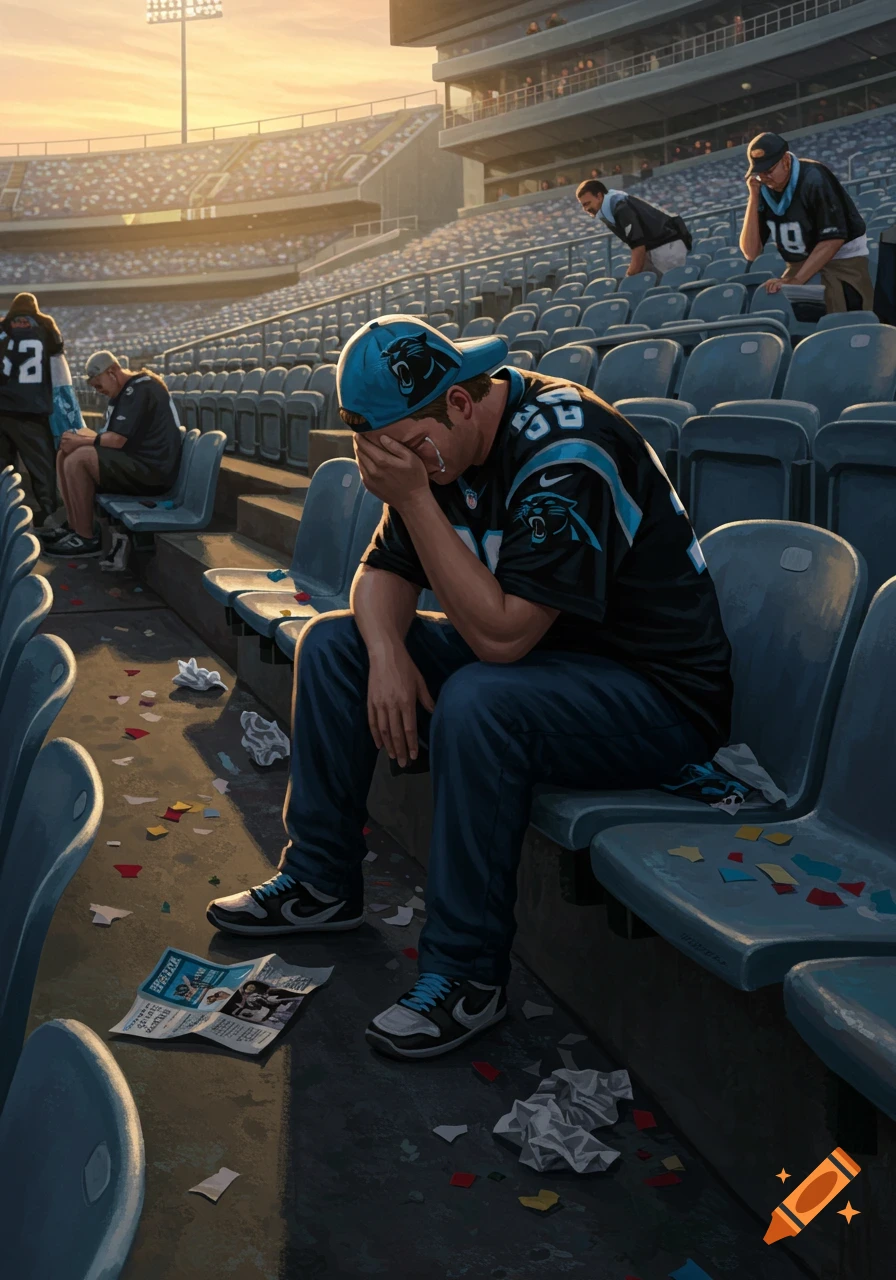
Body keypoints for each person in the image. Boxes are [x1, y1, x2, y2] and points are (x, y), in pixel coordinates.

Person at [206, 317, 734, 1061]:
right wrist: (387, 651)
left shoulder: (567, 446)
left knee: (481, 698)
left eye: (410, 447)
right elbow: (381, 573)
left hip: (652, 694)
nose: (402, 466)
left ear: (460, 403)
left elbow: (502, 639)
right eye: (383, 453)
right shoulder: (435, 447)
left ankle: (467, 976)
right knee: (335, 642)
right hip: (549, 668)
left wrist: (417, 498)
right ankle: (319, 881)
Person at [41, 350, 183, 559]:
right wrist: (79, 438)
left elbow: (117, 440)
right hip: (137, 461)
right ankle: (74, 526)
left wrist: (82, 441)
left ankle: (86, 537)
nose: (98, 392)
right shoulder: (124, 391)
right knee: (67, 450)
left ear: (112, 372)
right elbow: (110, 438)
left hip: (153, 470)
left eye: (99, 385)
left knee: (79, 458)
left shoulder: (140, 388)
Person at [739, 131, 874, 313]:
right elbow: (751, 252)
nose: (764, 177)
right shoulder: (763, 188)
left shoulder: (814, 176)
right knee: (777, 305)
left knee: (840, 311)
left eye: (769, 170)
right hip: (800, 263)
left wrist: (796, 280)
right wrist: (753, 198)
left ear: (786, 161)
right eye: (759, 173)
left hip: (841, 260)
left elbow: (833, 239)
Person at [0, 291, 66, 526]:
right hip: (32, 410)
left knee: (3, 470)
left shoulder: (3, 326)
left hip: (2, 407)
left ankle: (4, 518)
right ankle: (50, 515)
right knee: (42, 467)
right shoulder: (45, 326)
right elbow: (58, 349)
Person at [576, 178, 692, 280]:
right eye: (583, 205)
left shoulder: (620, 207)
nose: (586, 209)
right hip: (653, 247)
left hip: (666, 245)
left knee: (669, 288)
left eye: (587, 203)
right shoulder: (607, 210)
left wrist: (629, 277)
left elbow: (638, 246)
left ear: (599, 196)